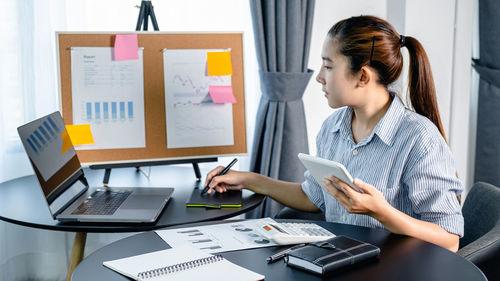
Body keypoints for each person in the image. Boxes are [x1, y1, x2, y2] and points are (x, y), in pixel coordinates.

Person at [204, 15, 463, 252]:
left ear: (362, 77)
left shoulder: (419, 139)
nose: (319, 77)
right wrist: (250, 180)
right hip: (344, 259)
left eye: (328, 67)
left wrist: (381, 212)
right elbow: (313, 197)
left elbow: (449, 238)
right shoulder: (333, 127)